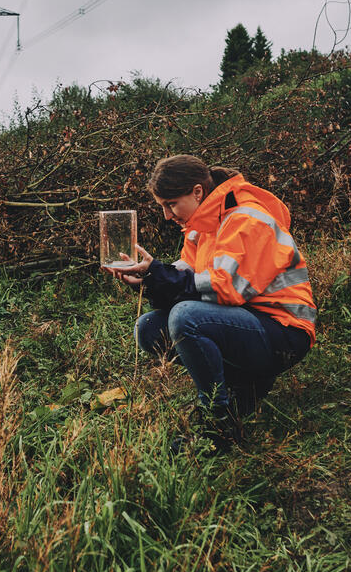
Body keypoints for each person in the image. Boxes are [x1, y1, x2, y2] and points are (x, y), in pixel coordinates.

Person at [103, 154, 315, 452]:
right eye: (163, 206)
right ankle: (244, 388)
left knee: (186, 317)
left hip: (283, 333)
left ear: (198, 192)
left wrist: (159, 274)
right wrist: (147, 278)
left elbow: (226, 288)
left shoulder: (245, 218)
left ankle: (217, 427)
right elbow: (186, 276)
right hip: (245, 323)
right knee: (149, 328)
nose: (167, 215)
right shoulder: (201, 227)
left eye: (171, 204)